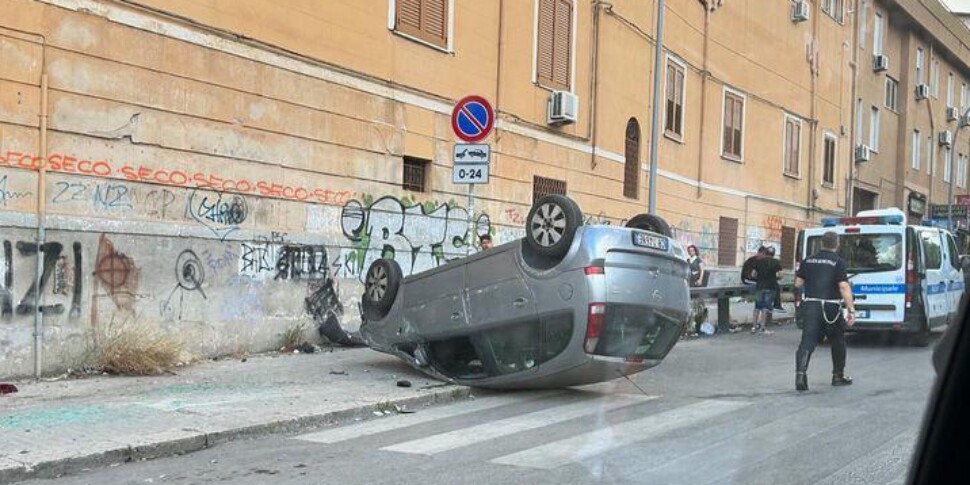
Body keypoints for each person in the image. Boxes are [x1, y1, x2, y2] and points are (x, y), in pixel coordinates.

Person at [793, 230, 857, 392]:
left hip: (811, 305)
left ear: (821, 243)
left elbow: (798, 284)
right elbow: (843, 286)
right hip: (831, 307)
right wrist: (851, 310)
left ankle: (801, 375)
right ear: (837, 244)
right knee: (837, 340)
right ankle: (838, 375)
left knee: (807, 341)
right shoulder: (838, 262)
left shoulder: (808, 260)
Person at [752, 246, 782, 334]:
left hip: (759, 286)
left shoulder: (759, 262)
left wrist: (758, 277)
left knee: (757, 307)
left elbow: (753, 274)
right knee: (765, 307)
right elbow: (781, 275)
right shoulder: (776, 262)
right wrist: (776, 278)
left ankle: (754, 327)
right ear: (773, 254)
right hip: (771, 287)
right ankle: (762, 327)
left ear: (766, 253)